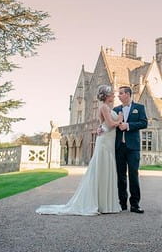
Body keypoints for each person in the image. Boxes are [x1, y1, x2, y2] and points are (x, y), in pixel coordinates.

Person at [36, 85, 123, 215]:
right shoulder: (104, 107)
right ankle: (102, 204)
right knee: (102, 169)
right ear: (106, 95)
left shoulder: (107, 107)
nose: (114, 95)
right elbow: (110, 124)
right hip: (105, 141)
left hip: (108, 141)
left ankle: (105, 204)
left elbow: (103, 125)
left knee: (106, 169)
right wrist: (120, 119)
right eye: (112, 94)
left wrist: (103, 127)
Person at [113, 86, 148, 213]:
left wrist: (128, 125)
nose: (119, 96)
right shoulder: (115, 109)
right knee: (121, 176)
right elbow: (111, 125)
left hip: (133, 147)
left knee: (133, 174)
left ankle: (135, 204)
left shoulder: (139, 108)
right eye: (119, 93)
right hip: (119, 147)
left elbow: (144, 123)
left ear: (127, 94)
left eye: (121, 93)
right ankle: (122, 203)